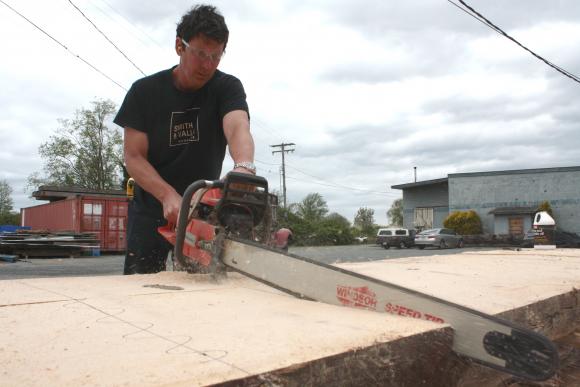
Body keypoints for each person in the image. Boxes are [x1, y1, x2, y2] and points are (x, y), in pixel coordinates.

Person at [114, 5, 256, 274]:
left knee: (205, 287)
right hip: (152, 206)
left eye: (216, 56)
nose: (208, 65)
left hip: (202, 207)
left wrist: (243, 167)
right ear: (180, 46)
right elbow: (133, 157)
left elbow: (238, 126)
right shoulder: (144, 92)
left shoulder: (226, 87)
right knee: (141, 285)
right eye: (201, 54)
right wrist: (167, 195)